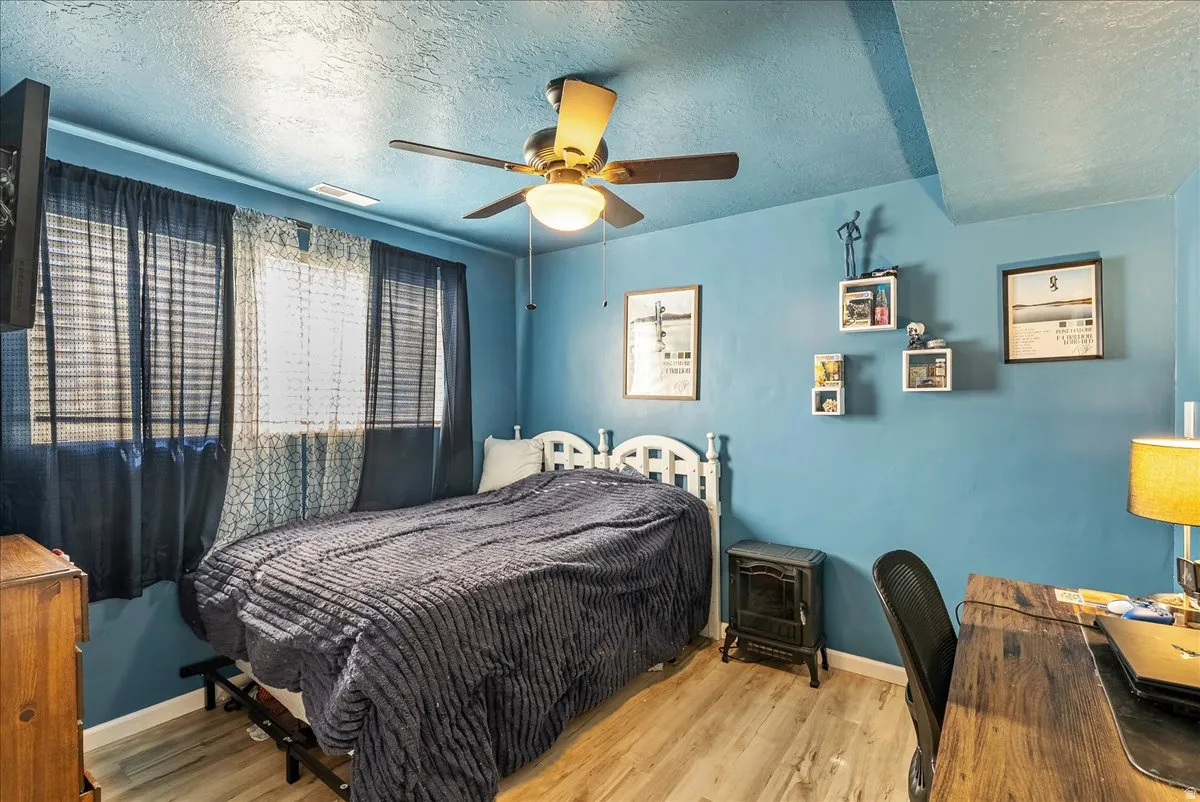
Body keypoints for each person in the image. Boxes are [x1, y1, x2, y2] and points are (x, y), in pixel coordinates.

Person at [837, 211, 862, 279]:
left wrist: (854, 239)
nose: (856, 217)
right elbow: (837, 230)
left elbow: (860, 236)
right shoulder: (847, 223)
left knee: (852, 259)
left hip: (850, 241)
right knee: (846, 259)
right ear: (853, 215)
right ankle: (847, 275)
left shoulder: (856, 226)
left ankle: (853, 275)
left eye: (857, 216)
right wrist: (841, 239)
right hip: (846, 242)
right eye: (856, 215)